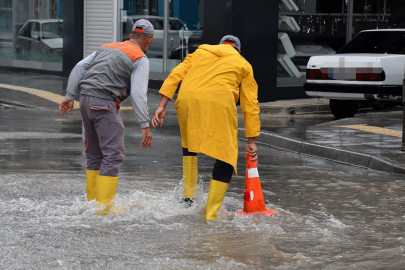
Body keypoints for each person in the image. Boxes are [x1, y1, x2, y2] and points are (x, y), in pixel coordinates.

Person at [152, 35, 260, 221]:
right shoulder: (243, 64)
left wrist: (162, 105)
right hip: (219, 102)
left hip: (187, 99)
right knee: (226, 156)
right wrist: (251, 141)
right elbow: (250, 104)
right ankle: (211, 214)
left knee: (189, 144)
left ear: (219, 46)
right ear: (238, 50)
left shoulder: (199, 53)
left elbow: (175, 75)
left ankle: (188, 199)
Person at [59, 19, 155, 214]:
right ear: (149, 40)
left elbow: (79, 67)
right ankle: (103, 210)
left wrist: (70, 96)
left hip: (85, 101)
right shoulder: (140, 58)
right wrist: (144, 124)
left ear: (130, 36)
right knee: (113, 155)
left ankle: (91, 205)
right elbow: (138, 93)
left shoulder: (107, 47)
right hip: (104, 103)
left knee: (94, 155)